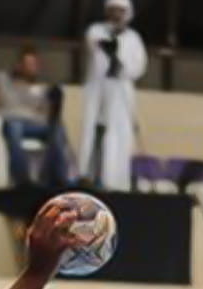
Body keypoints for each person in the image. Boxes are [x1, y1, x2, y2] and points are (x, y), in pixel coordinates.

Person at [0, 45, 71, 187]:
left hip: (35, 125)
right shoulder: (3, 79)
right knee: (14, 126)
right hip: (12, 122)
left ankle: (56, 178)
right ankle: (22, 180)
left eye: (35, 65)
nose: (33, 68)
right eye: (29, 64)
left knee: (58, 128)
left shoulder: (40, 88)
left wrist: (52, 105)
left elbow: (46, 112)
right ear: (19, 65)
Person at [78, 0, 145, 192]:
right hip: (97, 89)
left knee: (118, 135)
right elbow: (95, 46)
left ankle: (115, 181)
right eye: (113, 10)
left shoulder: (133, 38)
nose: (116, 14)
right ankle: (88, 176)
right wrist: (111, 45)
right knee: (93, 131)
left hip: (121, 91)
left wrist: (122, 65)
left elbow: (139, 66)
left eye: (120, 11)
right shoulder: (96, 30)